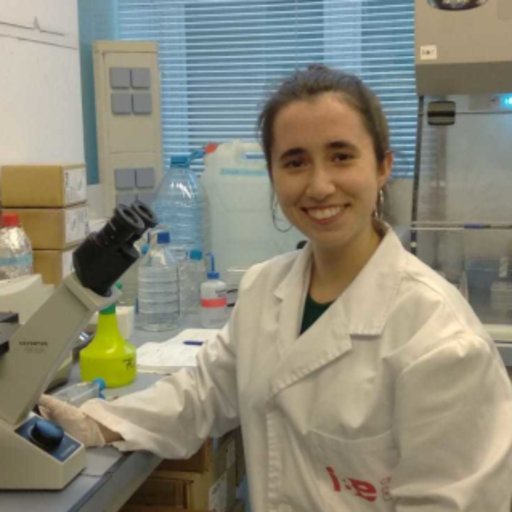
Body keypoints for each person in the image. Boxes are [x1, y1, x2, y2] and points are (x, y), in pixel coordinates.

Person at [39, 64, 512, 511]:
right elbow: (202, 394)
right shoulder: (268, 287)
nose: (320, 185)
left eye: (341, 156)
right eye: (295, 162)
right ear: (272, 174)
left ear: (383, 165)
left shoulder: (439, 340)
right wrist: (97, 420)